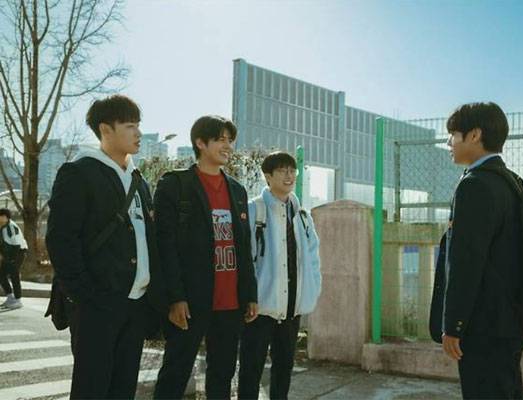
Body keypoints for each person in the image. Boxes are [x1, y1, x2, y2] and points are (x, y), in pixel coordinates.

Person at [45, 95, 168, 399]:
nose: (138, 133)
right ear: (105, 129)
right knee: (92, 389)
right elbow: (61, 241)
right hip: (97, 305)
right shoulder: (79, 173)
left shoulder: (138, 180)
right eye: (130, 126)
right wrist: (87, 297)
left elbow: (149, 239)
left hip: (135, 304)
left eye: (138, 125)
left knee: (123, 390)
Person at [153, 115, 258, 400]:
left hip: (230, 301)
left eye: (230, 140)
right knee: (175, 373)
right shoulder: (175, 184)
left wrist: (250, 293)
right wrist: (175, 297)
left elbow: (243, 246)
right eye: (221, 139)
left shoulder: (237, 190)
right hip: (190, 300)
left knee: (222, 376)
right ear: (200, 143)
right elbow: (165, 246)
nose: (228, 146)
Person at [430, 102, 523, 400]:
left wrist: (454, 325)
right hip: (510, 319)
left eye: (453, 135)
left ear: (474, 135)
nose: (449, 143)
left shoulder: (474, 185)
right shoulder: (512, 182)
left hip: (482, 324)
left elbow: (466, 262)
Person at [237, 151, 321, 400]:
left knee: (284, 367)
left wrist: (312, 291)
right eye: (282, 170)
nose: (289, 175)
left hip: (291, 306)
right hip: (259, 307)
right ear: (268, 176)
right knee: (251, 368)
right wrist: (248, 296)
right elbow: (244, 258)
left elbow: (313, 256)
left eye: (292, 171)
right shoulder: (255, 210)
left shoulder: (302, 215)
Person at [0, 208, 28, 311]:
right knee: (1, 274)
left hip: (18, 252)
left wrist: (12, 259)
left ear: (6, 217)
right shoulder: (2, 226)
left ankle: (18, 299)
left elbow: (16, 244)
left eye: (1, 216)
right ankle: (10, 297)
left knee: (14, 274)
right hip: (8, 254)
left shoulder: (11, 227)